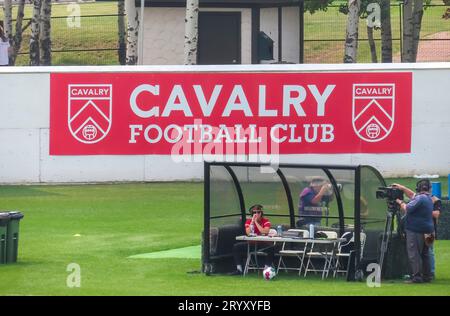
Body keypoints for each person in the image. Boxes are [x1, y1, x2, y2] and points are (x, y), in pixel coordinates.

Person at [394, 179, 434, 283]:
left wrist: (400, 202)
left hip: (416, 230)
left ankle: (416, 278)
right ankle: (427, 276)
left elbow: (407, 208)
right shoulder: (429, 198)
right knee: (425, 254)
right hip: (429, 230)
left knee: (414, 254)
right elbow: (413, 195)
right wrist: (402, 188)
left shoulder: (420, 198)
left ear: (419, 188)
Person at [229, 204, 275, 275]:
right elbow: (248, 233)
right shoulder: (248, 221)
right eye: (254, 213)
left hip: (263, 244)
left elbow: (265, 231)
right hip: (252, 244)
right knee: (236, 247)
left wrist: (256, 222)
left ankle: (266, 269)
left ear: (261, 213)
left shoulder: (265, 221)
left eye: (258, 212)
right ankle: (239, 269)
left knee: (272, 248)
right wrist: (252, 222)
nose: (256, 214)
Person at [429, 195, 441, 279]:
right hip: (418, 229)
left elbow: (436, 214)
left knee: (429, 250)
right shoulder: (417, 198)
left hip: (429, 229)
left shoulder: (435, 200)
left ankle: (431, 272)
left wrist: (422, 209)